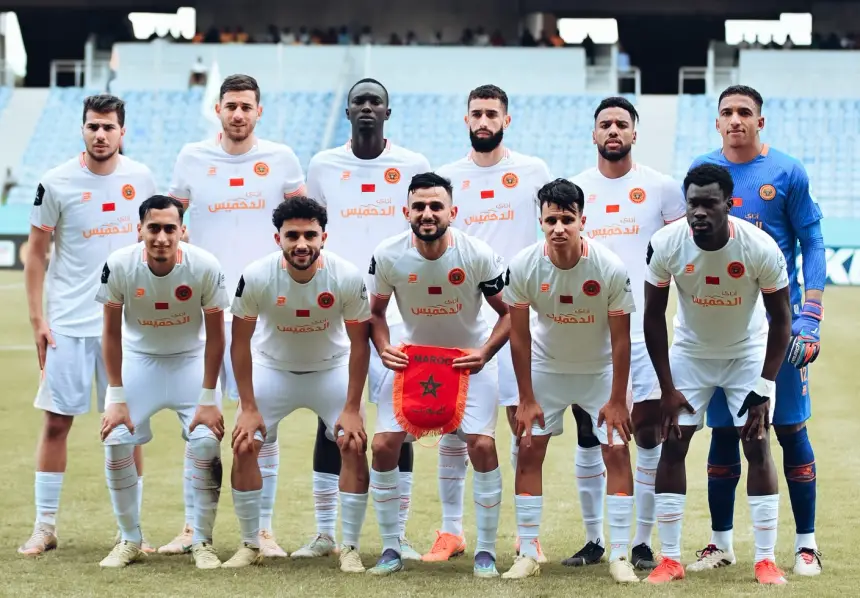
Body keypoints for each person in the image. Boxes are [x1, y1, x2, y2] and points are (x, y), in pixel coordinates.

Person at [686, 85, 826, 576]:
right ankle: (720, 544)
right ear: (716, 121)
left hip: (777, 327)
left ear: (760, 121)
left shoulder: (787, 172)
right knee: (725, 432)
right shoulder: (702, 171)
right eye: (726, 112)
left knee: (788, 429)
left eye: (744, 112)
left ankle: (806, 546)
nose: (735, 120)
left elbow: (812, 239)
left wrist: (811, 313)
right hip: (723, 329)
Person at [165, 73, 306, 557]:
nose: (239, 114)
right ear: (218, 110)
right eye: (231, 106)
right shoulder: (191, 157)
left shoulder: (281, 159)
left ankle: (263, 530)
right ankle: (192, 528)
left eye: (247, 106)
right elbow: (172, 222)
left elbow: (302, 223)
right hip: (203, 311)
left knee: (263, 423)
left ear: (258, 112)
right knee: (200, 423)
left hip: (263, 312)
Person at [20, 94, 157, 556]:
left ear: (122, 132)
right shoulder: (56, 182)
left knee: (127, 429)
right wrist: (38, 320)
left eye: (108, 127)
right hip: (68, 325)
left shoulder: (141, 178)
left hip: (127, 327)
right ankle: (44, 527)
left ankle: (130, 531)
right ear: (83, 129)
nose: (100, 135)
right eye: (93, 126)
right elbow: (35, 254)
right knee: (57, 423)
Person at [642, 163, 792, 585]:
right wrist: (667, 387)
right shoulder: (666, 243)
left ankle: (765, 560)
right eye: (693, 203)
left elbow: (782, 320)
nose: (699, 212)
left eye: (709, 203)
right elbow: (652, 317)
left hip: (747, 353)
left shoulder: (760, 247)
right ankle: (670, 559)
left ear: (729, 203)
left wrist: (764, 385)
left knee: (757, 444)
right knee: (673, 443)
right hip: (691, 354)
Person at [301, 78, 431, 560]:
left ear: (388, 112)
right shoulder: (323, 165)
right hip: (338, 312)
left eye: (376, 101)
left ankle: (398, 537)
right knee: (332, 420)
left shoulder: (412, 164)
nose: (368, 108)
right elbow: (314, 231)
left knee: (400, 422)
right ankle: (324, 533)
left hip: (396, 312)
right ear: (348, 111)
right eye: (360, 101)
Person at [366, 172, 510, 577]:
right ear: (406, 211)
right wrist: (384, 346)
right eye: (419, 206)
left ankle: (485, 551)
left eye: (435, 206)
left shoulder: (476, 253)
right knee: (383, 445)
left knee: (482, 445)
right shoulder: (388, 254)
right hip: (414, 363)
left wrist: (484, 352)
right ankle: (391, 548)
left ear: (452, 211)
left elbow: (509, 314)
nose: (427, 214)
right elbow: (375, 314)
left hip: (468, 363)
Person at [433, 83, 552, 563]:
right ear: (466, 119)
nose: (484, 121)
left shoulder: (533, 171)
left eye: (491, 114)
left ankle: (526, 534)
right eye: (476, 114)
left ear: (506, 119)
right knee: (452, 425)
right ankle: (450, 531)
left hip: (518, 314)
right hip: (461, 317)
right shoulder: (447, 176)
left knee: (522, 421)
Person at [567, 96, 685, 570]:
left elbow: (682, 254)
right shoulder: (576, 188)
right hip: (588, 335)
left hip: (643, 334)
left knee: (648, 433)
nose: (613, 130)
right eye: (605, 124)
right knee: (589, 433)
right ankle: (594, 539)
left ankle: (641, 541)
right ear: (593, 133)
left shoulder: (662, 188)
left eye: (621, 124)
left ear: (635, 133)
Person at [223, 197, 372, 573]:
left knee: (353, 443)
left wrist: (352, 408)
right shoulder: (256, 275)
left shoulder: (346, 275)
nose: (301, 244)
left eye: (310, 235)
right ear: (278, 238)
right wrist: (248, 406)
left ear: (324, 237)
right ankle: (251, 543)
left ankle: (350, 547)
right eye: (292, 236)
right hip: (272, 370)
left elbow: (360, 345)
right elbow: (239, 343)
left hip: (331, 369)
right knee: (244, 444)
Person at [502, 178, 638, 582]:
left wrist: (617, 399)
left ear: (582, 221)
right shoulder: (524, 265)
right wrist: (526, 398)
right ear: (541, 222)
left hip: (599, 371)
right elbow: (519, 337)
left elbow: (622, 339)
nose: (559, 228)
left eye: (567, 219)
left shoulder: (608, 267)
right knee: (529, 449)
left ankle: (619, 555)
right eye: (551, 220)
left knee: (616, 453)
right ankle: (528, 552)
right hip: (547, 368)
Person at [95, 195, 230, 568]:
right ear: (139, 229)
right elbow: (110, 334)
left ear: (182, 231)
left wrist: (208, 397)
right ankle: (130, 539)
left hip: (190, 363)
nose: (161, 237)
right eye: (153, 228)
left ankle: (201, 541)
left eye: (170, 228)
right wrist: (116, 396)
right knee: (116, 439)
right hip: (140, 363)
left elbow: (216, 337)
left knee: (206, 442)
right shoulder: (119, 265)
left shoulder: (205, 265)